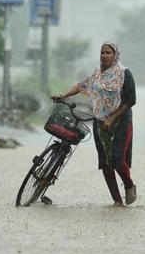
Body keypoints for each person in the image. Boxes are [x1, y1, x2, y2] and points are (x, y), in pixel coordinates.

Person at [53, 42, 137, 207]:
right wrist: (64, 95)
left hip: (120, 121)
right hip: (100, 121)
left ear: (115, 55)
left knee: (117, 159)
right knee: (105, 162)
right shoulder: (96, 74)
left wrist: (112, 118)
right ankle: (117, 202)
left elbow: (130, 100)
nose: (104, 55)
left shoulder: (124, 74)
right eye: (102, 52)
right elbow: (80, 85)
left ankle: (128, 184)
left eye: (108, 53)